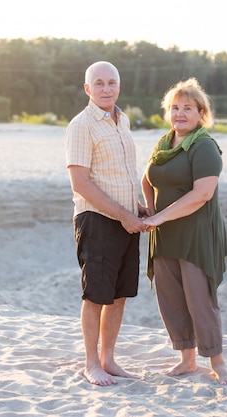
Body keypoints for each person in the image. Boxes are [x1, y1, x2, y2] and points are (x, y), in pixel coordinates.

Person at [141, 78, 227, 385]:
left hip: (195, 235)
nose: (179, 113)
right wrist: (151, 210)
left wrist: (160, 218)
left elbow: (202, 194)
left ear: (201, 113)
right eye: (174, 108)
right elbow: (147, 179)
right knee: (171, 298)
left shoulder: (204, 146)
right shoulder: (164, 143)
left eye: (187, 108)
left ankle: (218, 362)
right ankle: (187, 360)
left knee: (200, 300)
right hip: (165, 233)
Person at [64, 61, 149, 386]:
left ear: (119, 86)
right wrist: (123, 214)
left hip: (126, 220)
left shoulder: (122, 120)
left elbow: (120, 175)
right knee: (96, 296)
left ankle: (108, 358)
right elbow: (80, 183)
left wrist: (135, 208)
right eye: (98, 83)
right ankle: (91, 363)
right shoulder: (81, 125)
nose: (106, 88)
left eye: (111, 82)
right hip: (97, 221)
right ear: (87, 89)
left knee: (119, 295)